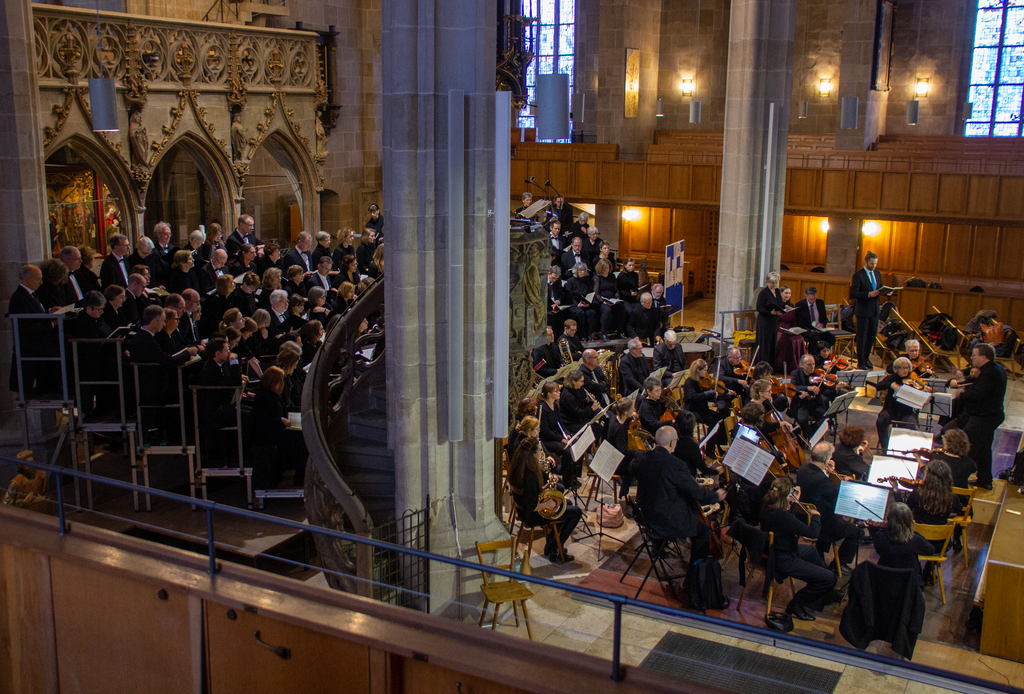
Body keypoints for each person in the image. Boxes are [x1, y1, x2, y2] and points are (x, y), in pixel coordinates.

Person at [634, 426, 726, 568]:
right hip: (662, 520)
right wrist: (715, 496)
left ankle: (658, 547)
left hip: (643, 515)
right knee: (703, 531)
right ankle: (694, 576)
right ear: (672, 443)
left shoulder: (642, 458)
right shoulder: (676, 465)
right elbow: (697, 493)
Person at [760, 476, 837, 621]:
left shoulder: (767, 506)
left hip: (776, 550)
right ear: (787, 495)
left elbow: (788, 521)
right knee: (829, 578)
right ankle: (796, 604)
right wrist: (816, 516)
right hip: (783, 559)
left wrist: (793, 503)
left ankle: (820, 593)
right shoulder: (783, 517)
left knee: (812, 551)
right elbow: (813, 533)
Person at [941, 343, 1005, 490]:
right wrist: (960, 376)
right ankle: (985, 480)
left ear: (983, 357)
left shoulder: (991, 373)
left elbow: (976, 395)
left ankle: (958, 482)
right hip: (987, 415)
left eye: (974, 355)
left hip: (984, 417)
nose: (971, 357)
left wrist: (962, 389)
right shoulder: (992, 368)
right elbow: (972, 373)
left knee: (967, 448)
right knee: (983, 448)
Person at [508, 437, 582, 563]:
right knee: (576, 512)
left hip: (524, 511)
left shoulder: (520, 467)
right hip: (532, 516)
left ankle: (551, 544)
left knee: (566, 503)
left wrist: (544, 488)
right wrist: (547, 504)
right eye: (539, 451)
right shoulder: (531, 474)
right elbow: (530, 506)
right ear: (532, 454)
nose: (540, 454)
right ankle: (556, 548)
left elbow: (529, 493)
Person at [796, 442, 864, 575]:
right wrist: (842, 481)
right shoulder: (821, 480)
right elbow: (839, 492)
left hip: (803, 517)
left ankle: (819, 554)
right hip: (821, 524)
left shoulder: (802, 469)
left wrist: (827, 472)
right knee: (857, 532)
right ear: (827, 459)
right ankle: (839, 564)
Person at [250, 366, 307, 490]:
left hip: (276, 431)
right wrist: (281, 421)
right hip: (271, 435)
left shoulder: (269, 395)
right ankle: (300, 478)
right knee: (302, 443)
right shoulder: (265, 397)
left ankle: (300, 477)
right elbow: (264, 420)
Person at [7, 265, 60, 395]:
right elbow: (26, 325)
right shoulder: (20, 297)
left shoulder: (31, 294)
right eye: (38, 279)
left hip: (39, 342)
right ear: (26, 280)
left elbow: (35, 314)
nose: (41, 282)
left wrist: (49, 312)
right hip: (31, 345)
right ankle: (52, 387)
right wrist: (52, 323)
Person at [906, 460, 963, 561]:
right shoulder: (952, 498)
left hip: (918, 543)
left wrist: (896, 490)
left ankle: (922, 571)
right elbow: (960, 511)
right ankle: (929, 570)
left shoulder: (917, 494)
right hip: (941, 545)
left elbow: (904, 511)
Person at [869, 502, 934, 584]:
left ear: (889, 519)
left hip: (885, 583)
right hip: (909, 585)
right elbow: (931, 550)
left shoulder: (880, 536)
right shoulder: (915, 540)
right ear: (910, 520)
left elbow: (879, 550)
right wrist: (915, 533)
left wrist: (873, 530)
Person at [850, 251, 891, 370]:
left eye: (875, 263)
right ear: (866, 261)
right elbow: (854, 293)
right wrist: (868, 294)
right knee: (862, 336)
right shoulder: (859, 275)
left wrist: (887, 292)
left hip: (874, 310)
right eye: (872, 263)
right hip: (863, 310)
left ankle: (867, 358)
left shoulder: (877, 273)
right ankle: (860, 361)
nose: (874, 266)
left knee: (872, 335)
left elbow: (880, 288)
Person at [875, 357, 924, 453]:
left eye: (907, 368)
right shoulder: (891, 378)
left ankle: (905, 449)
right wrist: (891, 385)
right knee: (880, 421)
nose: (906, 370)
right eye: (903, 368)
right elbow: (878, 386)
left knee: (912, 424)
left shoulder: (912, 379)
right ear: (897, 369)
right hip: (890, 410)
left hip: (906, 412)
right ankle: (885, 448)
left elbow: (922, 389)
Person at [683, 359, 731, 454]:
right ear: (697, 370)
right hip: (692, 411)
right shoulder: (689, 382)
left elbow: (705, 397)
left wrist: (723, 395)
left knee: (721, 419)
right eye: (704, 370)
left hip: (702, 408)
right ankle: (709, 448)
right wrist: (709, 393)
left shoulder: (700, 381)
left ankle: (717, 446)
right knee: (714, 422)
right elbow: (693, 397)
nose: (706, 373)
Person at [537, 382, 574, 489]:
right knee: (567, 452)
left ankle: (572, 477)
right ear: (549, 394)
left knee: (574, 445)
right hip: (546, 440)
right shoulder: (542, 408)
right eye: (556, 391)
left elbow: (560, 423)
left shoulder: (555, 406)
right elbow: (545, 431)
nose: (559, 393)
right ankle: (567, 483)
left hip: (555, 436)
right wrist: (561, 439)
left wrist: (566, 434)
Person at [791, 354, 831, 439]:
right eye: (809, 364)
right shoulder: (796, 373)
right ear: (801, 365)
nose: (812, 367)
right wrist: (808, 388)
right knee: (802, 420)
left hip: (814, 403)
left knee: (826, 419)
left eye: (813, 364)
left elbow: (825, 391)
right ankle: (810, 436)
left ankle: (809, 434)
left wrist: (835, 387)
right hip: (802, 404)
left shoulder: (818, 374)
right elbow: (793, 387)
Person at [755, 271, 784, 372]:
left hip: (773, 322)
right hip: (764, 322)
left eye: (776, 283)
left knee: (772, 345)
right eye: (772, 283)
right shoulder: (763, 293)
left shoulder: (777, 292)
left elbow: (779, 304)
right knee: (765, 345)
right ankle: (763, 369)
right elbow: (759, 308)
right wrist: (771, 312)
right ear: (768, 282)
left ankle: (771, 368)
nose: (774, 285)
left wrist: (785, 307)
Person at [775, 285, 807, 374]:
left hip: (789, 328)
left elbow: (794, 320)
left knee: (799, 338)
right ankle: (785, 367)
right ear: (781, 293)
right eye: (786, 293)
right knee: (788, 340)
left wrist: (795, 329)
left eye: (789, 293)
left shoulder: (791, 305)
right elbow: (775, 320)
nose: (787, 295)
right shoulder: (777, 305)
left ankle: (798, 366)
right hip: (779, 328)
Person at [794, 286, 835, 354]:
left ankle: (824, 355)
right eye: (810, 299)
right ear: (806, 296)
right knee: (814, 339)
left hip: (820, 329)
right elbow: (800, 322)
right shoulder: (800, 305)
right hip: (807, 330)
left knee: (831, 338)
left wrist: (822, 324)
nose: (812, 301)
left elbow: (825, 318)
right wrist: (811, 330)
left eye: (814, 299)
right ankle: (813, 357)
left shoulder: (820, 303)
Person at [591, 259, 622, 340]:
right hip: (600, 302)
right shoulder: (597, 277)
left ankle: (620, 331)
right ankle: (603, 333)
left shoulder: (612, 276)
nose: (606, 270)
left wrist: (616, 298)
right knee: (607, 310)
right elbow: (596, 293)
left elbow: (616, 290)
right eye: (604, 268)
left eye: (607, 268)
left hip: (611, 300)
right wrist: (603, 301)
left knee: (621, 308)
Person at [563, 264, 594, 337]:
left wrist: (588, 303)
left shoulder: (587, 280)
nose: (582, 272)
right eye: (580, 270)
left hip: (585, 303)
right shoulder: (570, 281)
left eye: (584, 270)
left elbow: (590, 292)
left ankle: (589, 334)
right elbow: (569, 295)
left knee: (592, 313)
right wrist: (577, 304)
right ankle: (582, 335)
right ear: (576, 271)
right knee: (580, 313)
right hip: (573, 304)